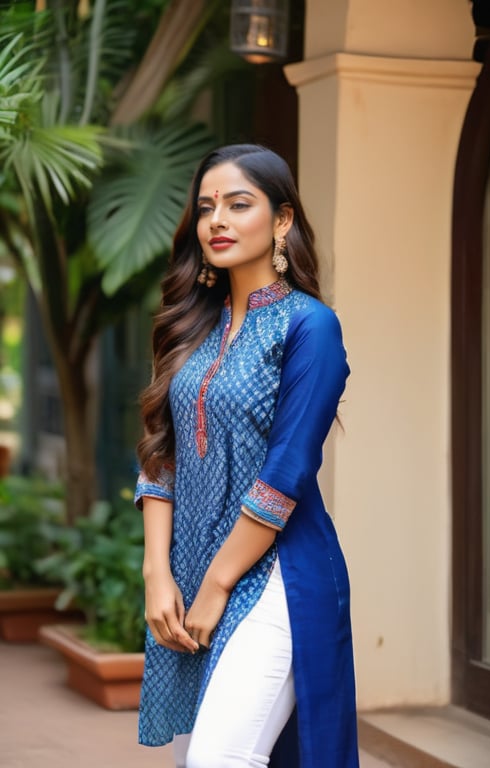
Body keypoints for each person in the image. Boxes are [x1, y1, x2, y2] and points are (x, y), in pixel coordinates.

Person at [134, 144, 359, 768]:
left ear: (282, 220)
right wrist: (158, 574)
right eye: (207, 208)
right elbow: (159, 454)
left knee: (217, 760)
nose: (218, 221)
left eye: (239, 204)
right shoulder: (191, 326)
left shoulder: (309, 327)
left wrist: (217, 584)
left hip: (278, 577)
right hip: (194, 574)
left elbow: (284, 476)